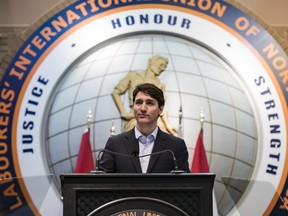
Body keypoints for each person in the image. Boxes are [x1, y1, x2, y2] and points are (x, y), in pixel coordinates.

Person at [99, 83, 190, 173]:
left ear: (160, 110)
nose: (143, 108)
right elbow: (101, 183)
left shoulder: (176, 146)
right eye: (138, 102)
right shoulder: (115, 144)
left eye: (149, 103)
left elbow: (186, 184)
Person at [112, 55, 177, 135]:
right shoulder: (133, 76)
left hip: (154, 119)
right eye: (161, 64)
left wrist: (167, 125)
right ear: (152, 62)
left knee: (162, 135)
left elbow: (161, 108)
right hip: (135, 116)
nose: (162, 68)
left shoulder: (160, 85)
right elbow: (116, 92)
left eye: (164, 67)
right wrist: (123, 112)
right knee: (131, 135)